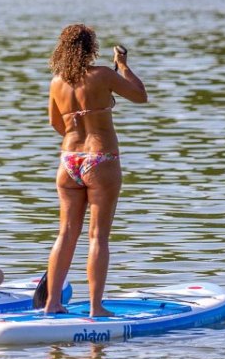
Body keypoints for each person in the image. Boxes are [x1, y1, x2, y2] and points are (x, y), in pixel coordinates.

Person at [43, 24, 148, 317]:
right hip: (100, 160)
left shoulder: (56, 82)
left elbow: (56, 124)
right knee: (98, 237)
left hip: (69, 161)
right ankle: (95, 307)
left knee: (65, 234)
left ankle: (52, 303)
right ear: (91, 48)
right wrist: (124, 67)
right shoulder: (103, 75)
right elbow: (140, 95)